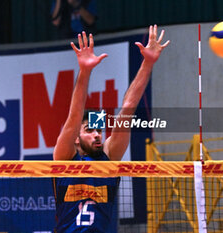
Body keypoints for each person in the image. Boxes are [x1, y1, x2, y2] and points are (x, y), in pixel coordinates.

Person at [52, 25, 169, 232]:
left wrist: (148, 63)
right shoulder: (64, 159)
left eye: (99, 130)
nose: (97, 134)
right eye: (89, 130)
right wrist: (85, 71)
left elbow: (128, 107)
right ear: (76, 138)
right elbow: (74, 116)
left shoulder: (110, 158)